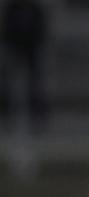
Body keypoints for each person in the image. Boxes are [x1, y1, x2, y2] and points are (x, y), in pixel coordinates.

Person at [0, 0, 47, 128]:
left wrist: (39, 45)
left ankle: (37, 115)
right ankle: (6, 114)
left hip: (31, 49)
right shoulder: (12, 8)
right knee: (7, 83)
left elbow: (41, 28)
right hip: (14, 47)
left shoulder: (35, 8)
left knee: (35, 84)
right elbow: (5, 29)